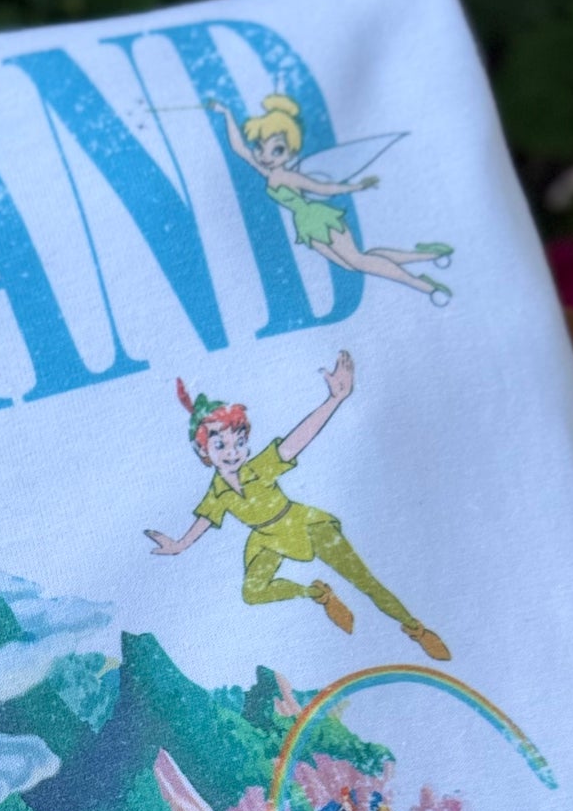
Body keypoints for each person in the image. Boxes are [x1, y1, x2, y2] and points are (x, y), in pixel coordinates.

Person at [146, 350, 451, 659]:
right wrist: (179, 545)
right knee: (253, 592)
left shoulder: (258, 468)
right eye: (220, 445)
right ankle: (318, 593)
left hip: (303, 525)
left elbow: (296, 441)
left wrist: (334, 399)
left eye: (239, 442)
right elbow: (204, 520)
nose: (233, 451)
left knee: (363, 580)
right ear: (204, 450)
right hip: (267, 538)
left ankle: (416, 629)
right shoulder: (217, 491)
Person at [213, 92, 453, 304]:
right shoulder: (269, 173)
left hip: (319, 218)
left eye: (277, 149)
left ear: (291, 150)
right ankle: (429, 254)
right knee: (355, 263)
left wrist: (357, 186)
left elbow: (324, 188)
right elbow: (239, 149)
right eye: (260, 146)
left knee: (359, 261)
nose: (265, 155)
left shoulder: (289, 176)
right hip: (306, 226)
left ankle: (425, 286)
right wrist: (227, 114)